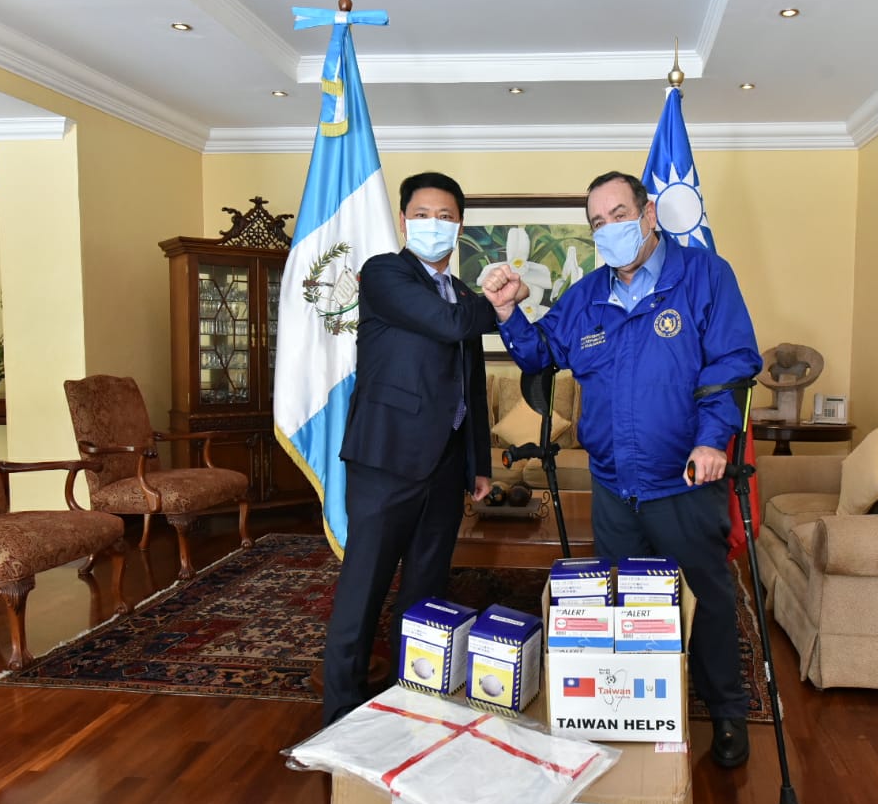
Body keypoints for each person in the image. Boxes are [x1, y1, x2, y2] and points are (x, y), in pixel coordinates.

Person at [482, 171, 762, 768]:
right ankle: (637, 707)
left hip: (685, 481)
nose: (609, 228)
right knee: (628, 607)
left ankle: (729, 712)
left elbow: (733, 364)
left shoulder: (706, 278)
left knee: (707, 600)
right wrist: (509, 313)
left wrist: (713, 441)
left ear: (650, 213)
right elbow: (539, 353)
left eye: (618, 214)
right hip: (614, 486)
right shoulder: (585, 296)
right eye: (597, 222)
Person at [321, 171, 496, 725]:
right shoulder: (384, 274)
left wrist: (479, 466)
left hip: (444, 467)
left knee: (426, 595)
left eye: (445, 217)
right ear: (403, 220)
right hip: (384, 460)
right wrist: (499, 303)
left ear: (459, 225)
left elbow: (471, 385)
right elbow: (446, 325)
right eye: (422, 215)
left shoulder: (463, 295)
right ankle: (340, 717)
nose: (434, 225)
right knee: (363, 592)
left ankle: (412, 704)